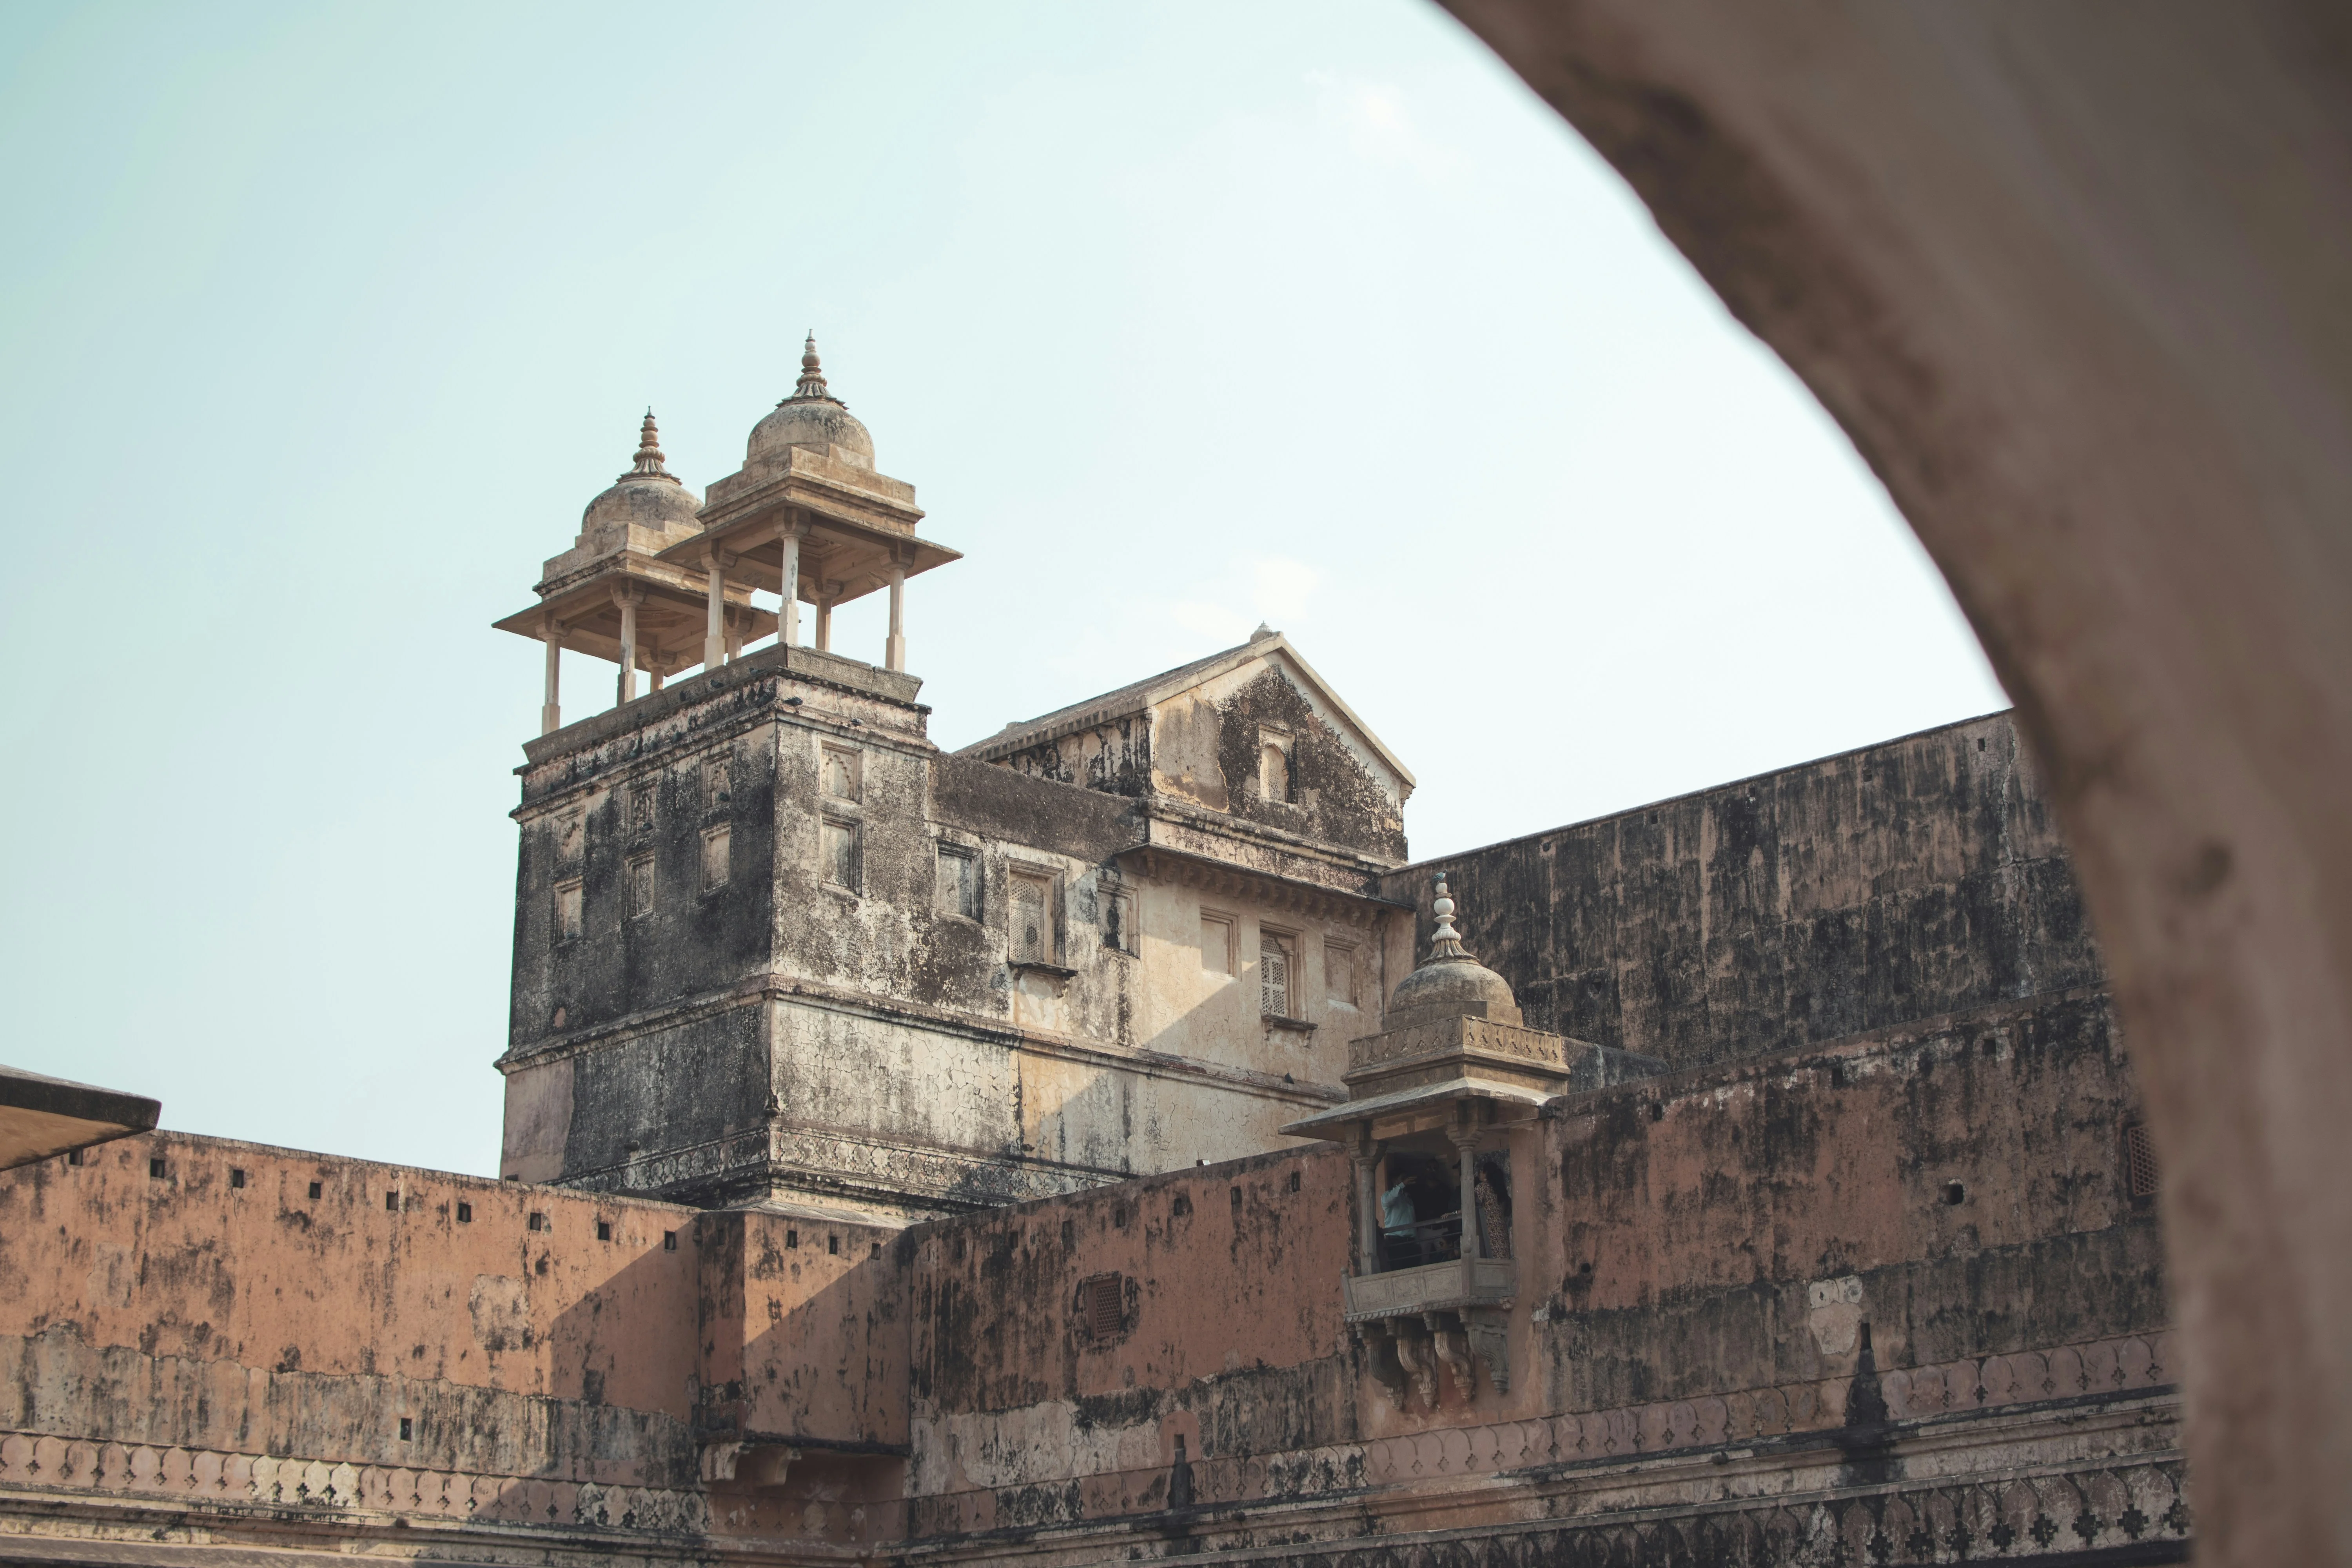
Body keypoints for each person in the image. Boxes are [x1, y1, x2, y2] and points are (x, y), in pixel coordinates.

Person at [1380, 1176, 1418, 1269]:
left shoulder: (1407, 1198)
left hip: (1410, 1242)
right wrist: (1402, 1185)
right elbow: (1389, 1200)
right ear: (1394, 1180)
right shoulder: (1387, 1195)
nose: (1406, 1181)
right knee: (1398, 1270)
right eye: (1402, 1178)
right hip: (1396, 1241)